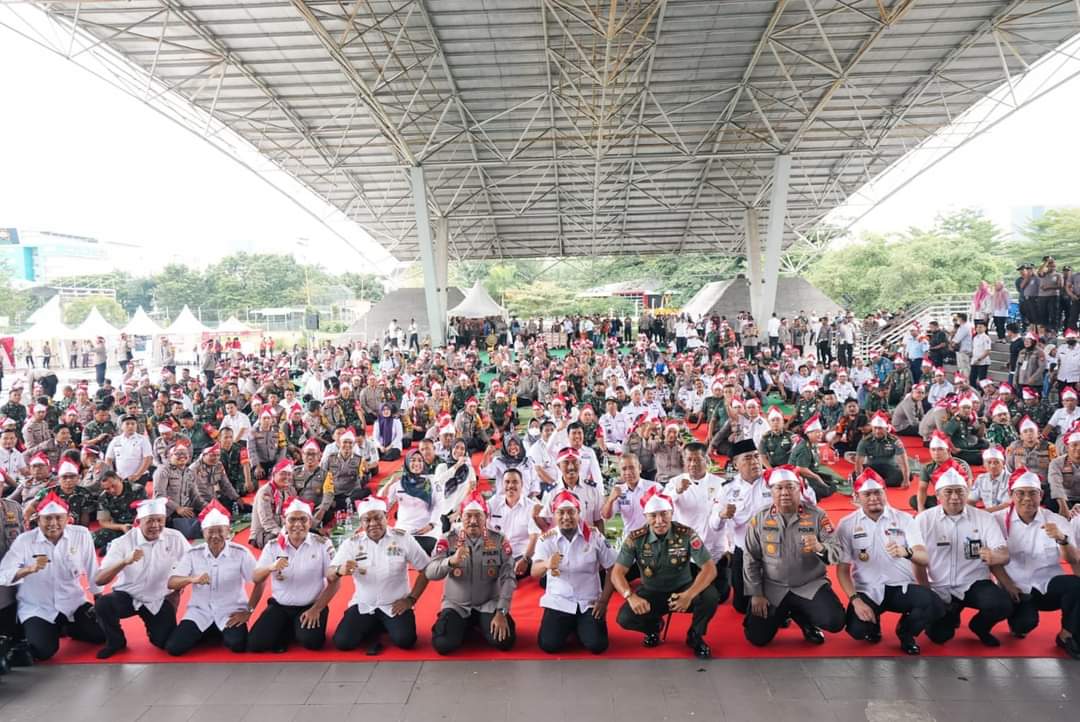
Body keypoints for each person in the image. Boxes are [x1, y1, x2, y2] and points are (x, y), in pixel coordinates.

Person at [835, 470, 942, 655]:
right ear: (857, 497)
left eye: (878, 492)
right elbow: (842, 570)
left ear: (885, 493)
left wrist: (907, 553)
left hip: (901, 587)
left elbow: (923, 558)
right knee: (857, 631)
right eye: (867, 494)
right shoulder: (846, 524)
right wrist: (856, 601)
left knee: (934, 604)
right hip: (868, 589)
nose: (874, 498)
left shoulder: (905, 519)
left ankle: (906, 632)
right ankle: (873, 623)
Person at [742, 465, 845, 647]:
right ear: (771, 491)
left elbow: (836, 552)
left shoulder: (817, 516)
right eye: (779, 488)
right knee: (756, 637)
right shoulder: (759, 519)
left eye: (790, 487)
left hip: (809, 585)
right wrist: (756, 593)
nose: (784, 492)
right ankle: (785, 612)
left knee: (834, 621)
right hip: (773, 586)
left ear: (800, 489)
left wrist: (821, 547)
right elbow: (750, 558)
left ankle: (804, 619)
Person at [610, 488, 718, 658]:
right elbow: (617, 573)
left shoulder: (687, 534)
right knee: (625, 618)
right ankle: (653, 628)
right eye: (653, 515)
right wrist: (630, 596)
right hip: (652, 592)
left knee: (710, 596)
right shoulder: (635, 538)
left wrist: (689, 595)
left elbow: (709, 568)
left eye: (664, 514)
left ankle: (695, 635)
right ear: (646, 517)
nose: (659, 521)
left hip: (683, 589)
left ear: (671, 513)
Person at [916, 464, 1013, 646]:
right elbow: (917, 560)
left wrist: (995, 556)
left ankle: (979, 626)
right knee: (939, 636)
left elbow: (1003, 553)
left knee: (1002, 604)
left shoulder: (984, 518)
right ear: (938, 496)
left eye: (960, 492)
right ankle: (949, 613)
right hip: (939, 585)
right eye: (948, 492)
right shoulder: (924, 520)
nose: (954, 497)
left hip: (972, 583)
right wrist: (925, 591)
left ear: (967, 493)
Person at [0, 492, 104, 660]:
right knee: (43, 651)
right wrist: (27, 570)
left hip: (72, 603)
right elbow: (3, 574)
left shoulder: (81, 535)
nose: (53, 523)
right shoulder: (25, 541)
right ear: (38, 520)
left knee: (101, 634)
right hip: (39, 607)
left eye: (58, 517)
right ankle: (49, 628)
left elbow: (93, 568)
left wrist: (99, 600)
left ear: (67, 518)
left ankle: (65, 627)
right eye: (47, 518)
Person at [989, 469, 1080, 658]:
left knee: (1077, 587)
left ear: (1041, 496)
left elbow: (1073, 559)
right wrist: (1007, 584)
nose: (1027, 499)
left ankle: (1066, 635)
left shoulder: (1055, 520)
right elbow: (993, 561)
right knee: (1024, 624)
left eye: (1033, 493)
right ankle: (1019, 621)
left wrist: (1061, 540)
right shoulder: (996, 521)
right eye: (1020, 493)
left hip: (1048, 584)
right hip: (1016, 587)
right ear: (1011, 495)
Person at [330, 496, 431, 653]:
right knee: (343, 642)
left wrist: (411, 600)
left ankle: (380, 625)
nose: (372, 524)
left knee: (406, 641)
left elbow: (426, 569)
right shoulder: (352, 543)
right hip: (364, 605)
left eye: (377, 518)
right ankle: (374, 625)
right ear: (361, 523)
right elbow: (330, 573)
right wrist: (339, 570)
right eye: (366, 520)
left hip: (395, 605)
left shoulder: (403, 539)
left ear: (386, 517)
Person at [93, 497, 188, 659]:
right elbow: (99, 579)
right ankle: (116, 641)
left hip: (159, 598)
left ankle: (154, 629)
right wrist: (124, 561)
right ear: (139, 521)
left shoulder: (175, 538)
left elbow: (191, 562)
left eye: (160, 520)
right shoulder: (122, 543)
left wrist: (178, 588)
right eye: (150, 521)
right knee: (103, 604)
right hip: (128, 595)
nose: (156, 526)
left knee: (166, 643)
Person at [164, 501, 262, 656]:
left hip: (230, 611)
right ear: (203, 533)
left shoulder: (241, 553)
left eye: (220, 531)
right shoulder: (192, 554)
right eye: (210, 532)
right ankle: (211, 630)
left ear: (228, 531)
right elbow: (171, 582)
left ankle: (213, 632)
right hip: (199, 611)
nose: (215, 536)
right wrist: (192, 579)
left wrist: (249, 611)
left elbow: (259, 581)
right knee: (174, 648)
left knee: (238, 645)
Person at [425, 492, 517, 655]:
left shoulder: (498, 540)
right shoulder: (448, 539)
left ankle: (476, 624)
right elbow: (430, 573)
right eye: (468, 516)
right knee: (443, 644)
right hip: (456, 605)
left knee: (504, 642)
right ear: (461, 516)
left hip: (488, 604)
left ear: (486, 517)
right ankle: (463, 625)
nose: (473, 521)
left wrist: (502, 611)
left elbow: (508, 577)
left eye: (478, 516)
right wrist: (450, 561)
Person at [247, 497, 338, 652]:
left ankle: (292, 629)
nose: (298, 524)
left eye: (303, 519)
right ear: (284, 521)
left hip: (310, 605)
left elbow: (334, 582)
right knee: (256, 644)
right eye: (292, 520)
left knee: (311, 642)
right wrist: (271, 567)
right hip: (280, 606)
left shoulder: (322, 544)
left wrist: (316, 609)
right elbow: (256, 577)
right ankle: (289, 628)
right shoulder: (273, 546)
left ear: (310, 522)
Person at [532, 490, 616, 654]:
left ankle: (581, 626)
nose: (566, 517)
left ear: (579, 513)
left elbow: (613, 567)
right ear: (554, 515)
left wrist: (604, 601)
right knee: (548, 645)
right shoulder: (546, 539)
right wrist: (547, 564)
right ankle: (571, 626)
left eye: (571, 512)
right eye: (561, 512)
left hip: (588, 602)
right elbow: (534, 572)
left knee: (597, 645)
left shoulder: (594, 536)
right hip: (559, 601)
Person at [381, 450, 437, 554]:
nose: (417, 463)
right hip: (403, 530)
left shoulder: (430, 482)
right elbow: (383, 504)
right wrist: (389, 483)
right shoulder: (399, 483)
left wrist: (431, 525)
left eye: (420, 460)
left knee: (427, 547)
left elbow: (437, 505)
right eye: (413, 460)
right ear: (406, 462)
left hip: (425, 531)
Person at [854, 412, 911, 488]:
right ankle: (881, 483)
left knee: (906, 476)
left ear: (886, 428)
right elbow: (858, 462)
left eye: (880, 428)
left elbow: (903, 461)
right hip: (872, 467)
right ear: (872, 427)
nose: (877, 431)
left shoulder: (894, 440)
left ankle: (874, 483)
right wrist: (859, 480)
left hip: (890, 467)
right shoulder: (865, 441)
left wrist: (906, 480)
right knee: (855, 475)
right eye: (875, 428)